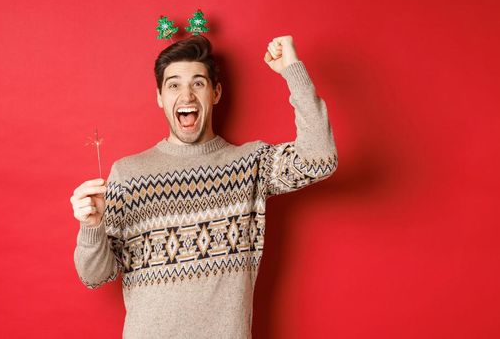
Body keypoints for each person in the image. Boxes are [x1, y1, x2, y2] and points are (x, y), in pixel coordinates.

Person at [69, 34, 338, 338]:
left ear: (215, 93)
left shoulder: (249, 164)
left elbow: (320, 158)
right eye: (173, 85)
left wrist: (292, 69)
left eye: (198, 83)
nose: (186, 96)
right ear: (159, 97)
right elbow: (95, 276)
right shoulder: (128, 174)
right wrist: (91, 226)